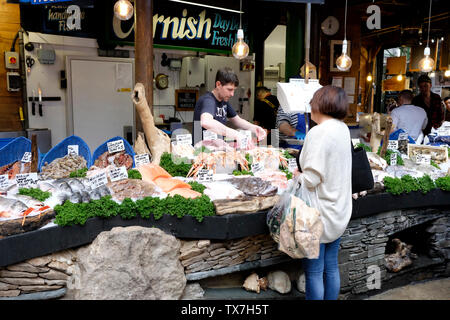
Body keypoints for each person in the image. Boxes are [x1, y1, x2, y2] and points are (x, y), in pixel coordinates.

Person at [297, 85, 352, 300]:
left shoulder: (319, 132)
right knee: (331, 268)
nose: (311, 106)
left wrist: (296, 176)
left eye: (313, 101)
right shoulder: (343, 129)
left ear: (320, 104)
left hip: (318, 214)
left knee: (313, 272)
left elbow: (311, 179)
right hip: (339, 210)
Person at [193, 67, 266, 147]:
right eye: (229, 89)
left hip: (217, 150)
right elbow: (206, 122)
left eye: (234, 90)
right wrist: (236, 134)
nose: (232, 94)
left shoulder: (223, 101)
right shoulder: (208, 100)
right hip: (202, 151)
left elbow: (237, 120)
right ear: (218, 84)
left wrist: (254, 128)